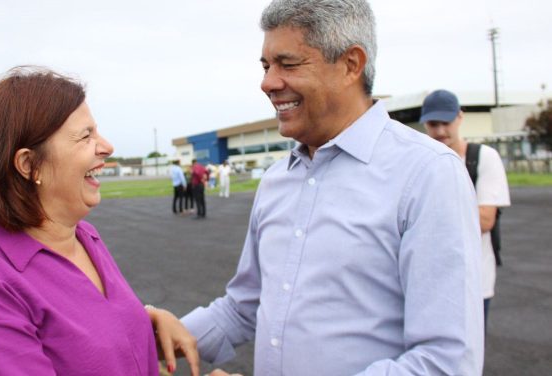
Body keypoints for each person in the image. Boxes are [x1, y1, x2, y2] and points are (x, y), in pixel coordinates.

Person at [181, 1, 483, 374]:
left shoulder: (428, 175)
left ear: (350, 65)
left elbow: (444, 361)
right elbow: (244, 307)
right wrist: (153, 336)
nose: (268, 82)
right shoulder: (277, 181)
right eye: (265, 66)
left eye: (288, 64)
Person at [0, 67, 199, 376]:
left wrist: (145, 320)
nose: (107, 146)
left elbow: (82, 334)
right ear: (29, 165)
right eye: (86, 136)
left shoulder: (85, 237)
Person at [421, 89, 511, 327]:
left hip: (473, 281)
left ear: (460, 117)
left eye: (446, 122)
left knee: (466, 359)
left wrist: (423, 215)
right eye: (433, 123)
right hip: (425, 281)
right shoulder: (418, 163)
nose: (440, 131)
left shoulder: (483, 158)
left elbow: (484, 221)